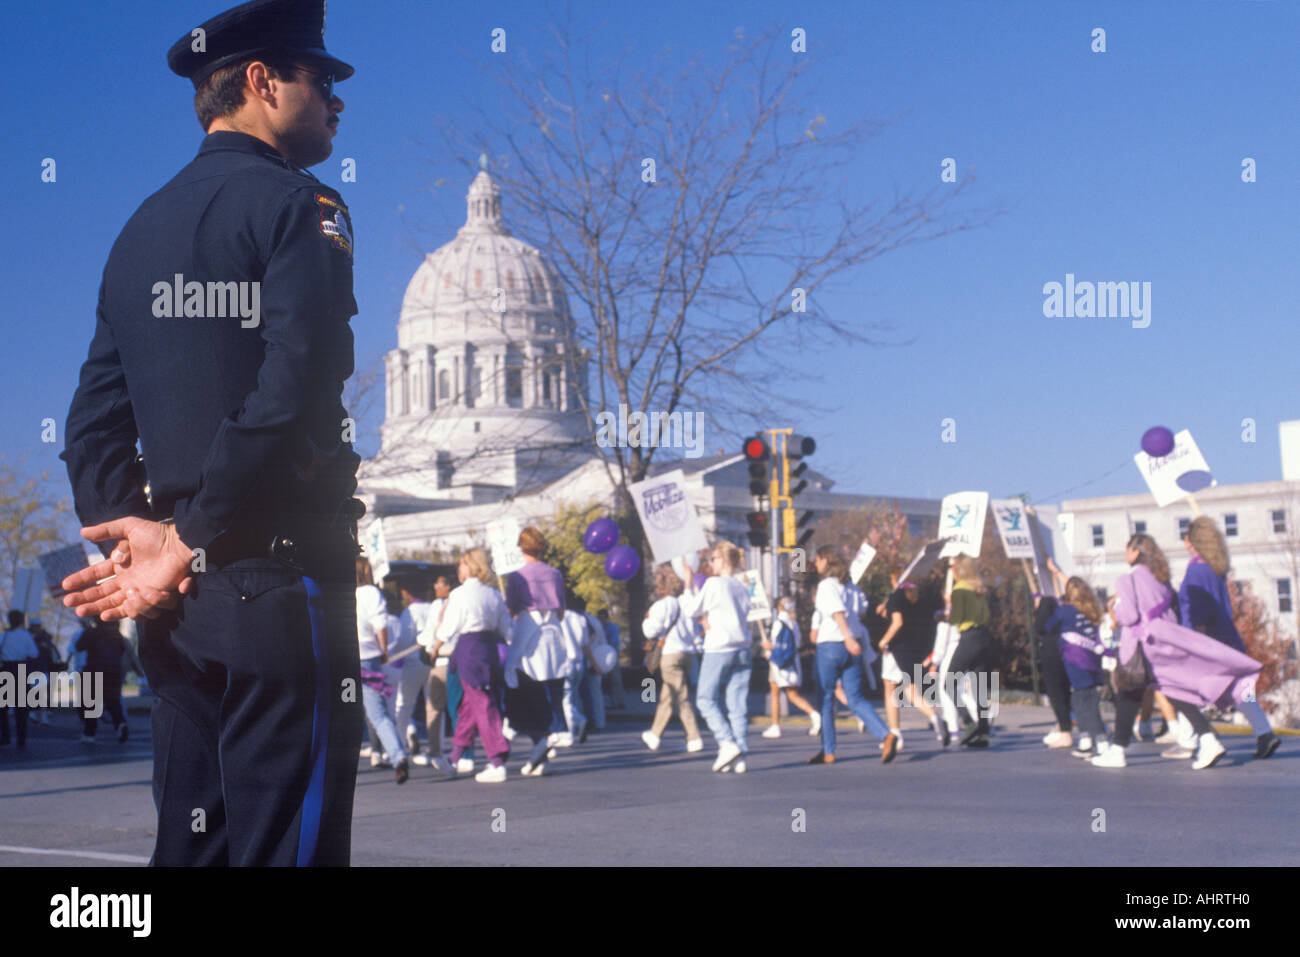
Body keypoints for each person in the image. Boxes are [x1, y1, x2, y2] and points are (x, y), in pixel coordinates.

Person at [56, 0, 362, 866]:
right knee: (286, 848)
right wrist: (185, 540)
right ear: (264, 83)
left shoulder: (138, 231)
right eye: (322, 80)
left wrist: (139, 543)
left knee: (191, 846)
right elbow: (296, 385)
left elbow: (92, 421)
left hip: (178, 609)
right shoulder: (301, 204)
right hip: (271, 578)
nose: (338, 103)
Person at [1092, 534, 1261, 771]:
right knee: (1173, 691)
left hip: (1140, 647)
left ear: (1135, 552)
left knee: (1129, 694)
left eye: (1127, 548)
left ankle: (1118, 751)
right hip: (1164, 641)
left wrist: (1116, 608)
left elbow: (1129, 616)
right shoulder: (1160, 578)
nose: (1125, 553)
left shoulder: (1126, 580)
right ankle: (1207, 738)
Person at [1179, 517, 1280, 759]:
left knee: (1188, 689)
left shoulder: (1196, 569)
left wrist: (1196, 645)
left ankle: (1190, 740)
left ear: (1192, 541)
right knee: (1238, 689)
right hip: (1226, 636)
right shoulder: (1216, 567)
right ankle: (1264, 733)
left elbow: (1197, 609)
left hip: (1206, 639)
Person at [426, 549, 512, 782]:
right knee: (469, 706)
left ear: (472, 566)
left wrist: (436, 645)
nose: (459, 568)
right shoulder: (493, 594)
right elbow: (506, 628)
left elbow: (449, 626)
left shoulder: (460, 594)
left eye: (462, 564)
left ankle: (496, 760)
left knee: (482, 704)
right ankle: (454, 757)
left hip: (469, 650)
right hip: (489, 649)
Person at [808, 546, 895, 765]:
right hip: (853, 646)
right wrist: (852, 638)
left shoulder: (826, 585)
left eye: (817, 560)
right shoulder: (851, 587)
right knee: (855, 697)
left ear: (826, 561)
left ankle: (828, 750)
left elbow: (837, 612)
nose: (815, 565)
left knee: (826, 698)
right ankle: (886, 734)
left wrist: (846, 636)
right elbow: (863, 611)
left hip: (831, 644)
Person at [685, 541, 753, 773]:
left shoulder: (714, 583)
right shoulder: (741, 586)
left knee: (705, 699)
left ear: (723, 559)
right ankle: (740, 755)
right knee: (737, 704)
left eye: (713, 559)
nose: (710, 563)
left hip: (720, 647)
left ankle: (726, 742)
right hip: (743, 646)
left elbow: (691, 609)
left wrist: (688, 584)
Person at [1043, 573, 1113, 758]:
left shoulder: (1064, 611)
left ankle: (1100, 739)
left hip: (1075, 661)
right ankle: (1086, 738)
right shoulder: (1091, 610)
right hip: (1093, 661)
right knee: (1085, 700)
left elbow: (1049, 627)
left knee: (1083, 702)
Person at [642, 564, 705, 752]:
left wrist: (646, 619)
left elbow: (649, 631)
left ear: (661, 586)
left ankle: (694, 737)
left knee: (681, 696)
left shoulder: (661, 606)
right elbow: (696, 632)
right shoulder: (686, 603)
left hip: (670, 654)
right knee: (668, 695)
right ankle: (654, 735)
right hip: (688, 654)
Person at [356, 560, 409, 782]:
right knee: (378, 714)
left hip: (344, 661)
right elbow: (380, 624)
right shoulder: (370, 593)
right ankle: (397, 756)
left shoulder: (336, 592)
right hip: (368, 660)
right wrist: (384, 650)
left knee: (346, 708)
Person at [878, 582, 947, 749]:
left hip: (896, 649)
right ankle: (934, 717)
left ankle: (895, 734)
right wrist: (884, 611)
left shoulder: (896, 597)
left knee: (890, 689)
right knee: (912, 692)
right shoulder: (917, 598)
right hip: (913, 649)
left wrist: (883, 641)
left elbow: (898, 622)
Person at [946, 555, 995, 748]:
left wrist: (944, 613)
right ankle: (983, 732)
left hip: (968, 638)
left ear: (959, 569)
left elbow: (956, 619)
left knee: (949, 683)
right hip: (983, 637)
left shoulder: (959, 589)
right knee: (979, 688)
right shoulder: (979, 589)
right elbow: (987, 615)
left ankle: (968, 722)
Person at [760, 596, 820, 739]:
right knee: (793, 695)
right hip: (792, 663)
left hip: (778, 663)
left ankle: (775, 726)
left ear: (779, 607)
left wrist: (767, 646)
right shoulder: (794, 623)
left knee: (775, 693)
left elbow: (776, 646)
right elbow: (797, 644)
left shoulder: (778, 623)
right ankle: (815, 715)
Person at [413, 575, 454, 773]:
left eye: (440, 584)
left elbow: (432, 633)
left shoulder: (447, 604)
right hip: (443, 661)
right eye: (435, 584)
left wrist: (425, 642)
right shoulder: (438, 605)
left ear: (449, 586)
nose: (436, 587)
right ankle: (438, 750)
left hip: (448, 658)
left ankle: (444, 752)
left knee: (443, 708)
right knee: (440, 708)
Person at [75, 620, 130, 743]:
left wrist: (87, 630)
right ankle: (120, 723)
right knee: (113, 701)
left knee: (91, 703)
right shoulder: (117, 635)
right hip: (114, 671)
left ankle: (89, 733)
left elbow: (79, 646)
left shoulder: (92, 632)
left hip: (94, 669)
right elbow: (122, 651)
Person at [394, 581, 433, 757]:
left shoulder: (409, 612)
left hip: (413, 662)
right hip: (433, 660)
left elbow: (404, 640)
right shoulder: (433, 607)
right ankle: (435, 747)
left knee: (404, 705)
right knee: (433, 706)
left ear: (406, 592)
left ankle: (399, 744)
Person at [1033, 592, 1074, 748]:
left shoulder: (1046, 621)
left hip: (1050, 654)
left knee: (1055, 692)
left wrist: (1037, 609)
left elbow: (1040, 626)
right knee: (1065, 691)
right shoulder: (1061, 618)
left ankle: (1065, 731)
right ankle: (1063, 726)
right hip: (1063, 651)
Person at [0, 611, 40, 749]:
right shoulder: (26, 635)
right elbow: (34, 653)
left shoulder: (4, 635)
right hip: (21, 669)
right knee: (21, 708)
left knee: (2, 707)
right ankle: (21, 739)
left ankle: (5, 736)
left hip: (6, 669)